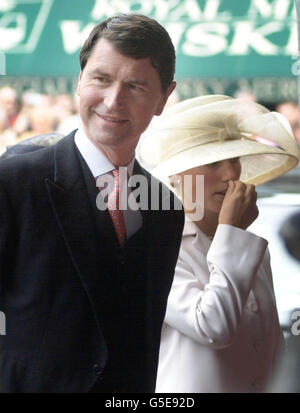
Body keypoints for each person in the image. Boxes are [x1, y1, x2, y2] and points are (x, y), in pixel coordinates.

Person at [0, 13, 184, 393]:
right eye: (101, 78)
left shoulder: (166, 208)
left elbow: (146, 339)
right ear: (79, 81)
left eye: (135, 86)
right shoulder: (14, 182)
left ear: (164, 98)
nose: (113, 100)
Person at [139, 94, 300, 393]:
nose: (230, 175)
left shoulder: (249, 246)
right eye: (212, 163)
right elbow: (212, 326)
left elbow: (270, 345)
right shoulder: (157, 247)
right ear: (177, 175)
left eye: (234, 160)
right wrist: (232, 231)